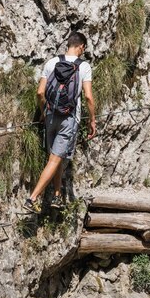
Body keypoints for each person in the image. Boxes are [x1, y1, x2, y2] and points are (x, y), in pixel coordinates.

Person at [23, 32, 96, 214]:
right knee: (55, 159)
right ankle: (32, 199)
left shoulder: (51, 62)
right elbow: (88, 96)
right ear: (81, 47)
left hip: (50, 116)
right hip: (69, 118)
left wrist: (43, 112)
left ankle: (57, 195)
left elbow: (40, 92)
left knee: (55, 158)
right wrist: (92, 120)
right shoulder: (83, 66)